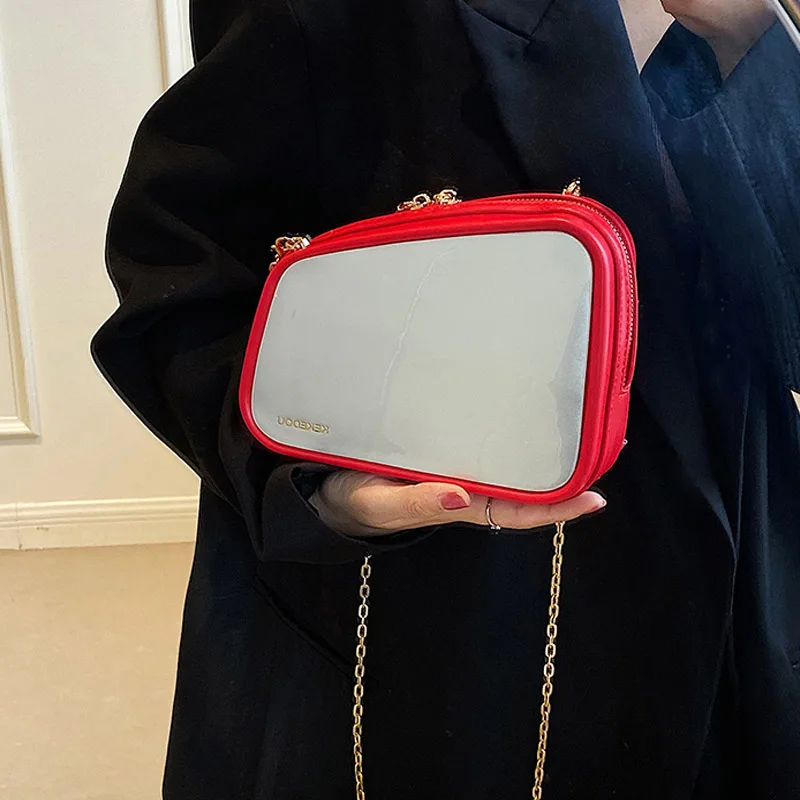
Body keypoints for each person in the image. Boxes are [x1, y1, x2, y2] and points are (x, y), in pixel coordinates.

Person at [92, 0, 800, 797]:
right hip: (450, 612)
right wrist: (317, 487)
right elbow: (178, 269)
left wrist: (754, 35)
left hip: (742, 580)